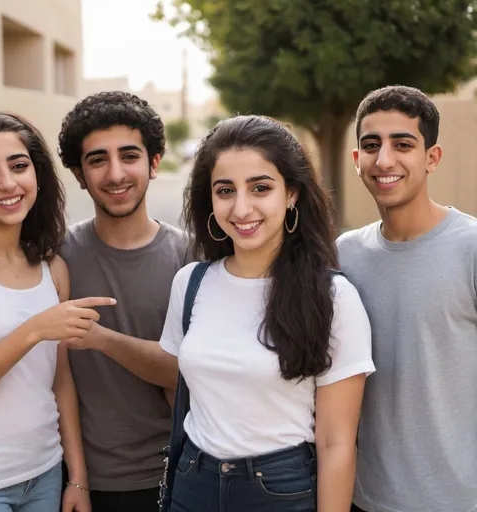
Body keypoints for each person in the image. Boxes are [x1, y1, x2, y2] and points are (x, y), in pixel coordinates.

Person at [158, 115, 375, 512]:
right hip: (193, 484)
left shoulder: (333, 297)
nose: (241, 208)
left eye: (260, 187)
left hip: (281, 491)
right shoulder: (190, 283)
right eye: (225, 190)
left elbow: (337, 442)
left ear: (291, 193)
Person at [337, 85, 477, 512]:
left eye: (403, 144)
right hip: (366, 498)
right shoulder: (344, 255)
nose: (385, 160)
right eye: (371, 145)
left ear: (431, 158)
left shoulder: (471, 248)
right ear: (357, 159)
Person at [0, 112, 114, 511]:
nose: (8, 183)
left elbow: (60, 381)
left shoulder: (54, 269)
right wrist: (33, 330)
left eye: (18, 166)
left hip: (45, 474)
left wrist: (77, 479)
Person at [58, 91, 192, 512]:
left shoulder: (191, 259)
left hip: (174, 476)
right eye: (97, 160)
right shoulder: (57, 257)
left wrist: (100, 338)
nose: (115, 173)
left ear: (154, 163)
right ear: (80, 174)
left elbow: (187, 371)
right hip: (77, 480)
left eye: (129, 156)